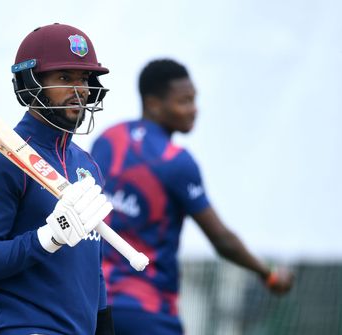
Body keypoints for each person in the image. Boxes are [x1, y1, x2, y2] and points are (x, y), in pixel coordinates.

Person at [90, 59, 294, 335]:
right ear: (152, 104)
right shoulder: (175, 161)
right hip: (148, 310)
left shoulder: (109, 139)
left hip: (95, 306)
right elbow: (222, 241)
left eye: (194, 100)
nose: (194, 110)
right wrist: (267, 273)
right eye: (184, 101)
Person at [0, 23, 116, 335]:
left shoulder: (87, 165)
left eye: (83, 78)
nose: (80, 90)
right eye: (64, 78)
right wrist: (49, 237)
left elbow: (90, 263)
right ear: (30, 83)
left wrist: (104, 327)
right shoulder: (1, 160)